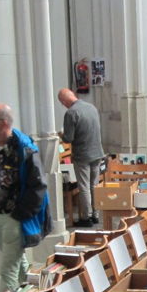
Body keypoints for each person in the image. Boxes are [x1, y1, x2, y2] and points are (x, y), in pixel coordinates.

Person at [0, 103, 51, 292]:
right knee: (17, 262)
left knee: (7, 269)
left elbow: (38, 185)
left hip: (15, 217)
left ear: (3, 123)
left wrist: (20, 215)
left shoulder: (24, 148)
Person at [58, 88, 104, 227]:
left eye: (62, 103)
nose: (63, 105)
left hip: (83, 155)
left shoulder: (71, 113)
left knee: (84, 187)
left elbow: (68, 138)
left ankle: (86, 217)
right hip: (97, 152)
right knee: (94, 185)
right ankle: (96, 215)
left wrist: (60, 134)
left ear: (64, 101)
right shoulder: (91, 108)